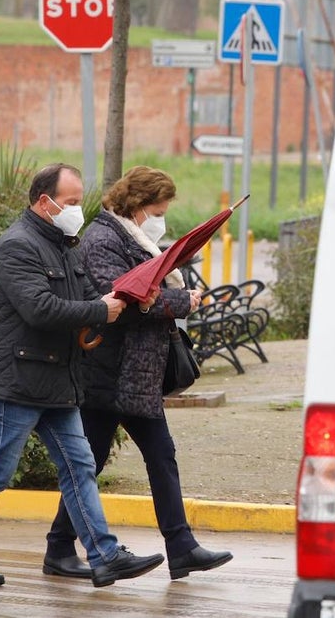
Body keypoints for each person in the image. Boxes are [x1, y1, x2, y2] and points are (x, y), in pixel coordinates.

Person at [0, 163, 165, 589]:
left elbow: (92, 300)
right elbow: (39, 309)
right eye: (71, 202)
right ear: (45, 202)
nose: (78, 210)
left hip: (59, 382)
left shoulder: (66, 247)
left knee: (80, 467)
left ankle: (105, 556)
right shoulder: (16, 246)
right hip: (17, 382)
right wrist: (100, 308)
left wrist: (134, 300)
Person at [43, 166, 233, 581]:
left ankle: (180, 547)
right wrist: (180, 301)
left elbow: (145, 290)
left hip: (135, 374)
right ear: (137, 204)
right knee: (95, 462)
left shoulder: (130, 236)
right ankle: (60, 547)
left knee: (152, 456)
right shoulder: (104, 239)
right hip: (111, 371)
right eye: (158, 211)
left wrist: (170, 294)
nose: (161, 219)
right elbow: (119, 301)